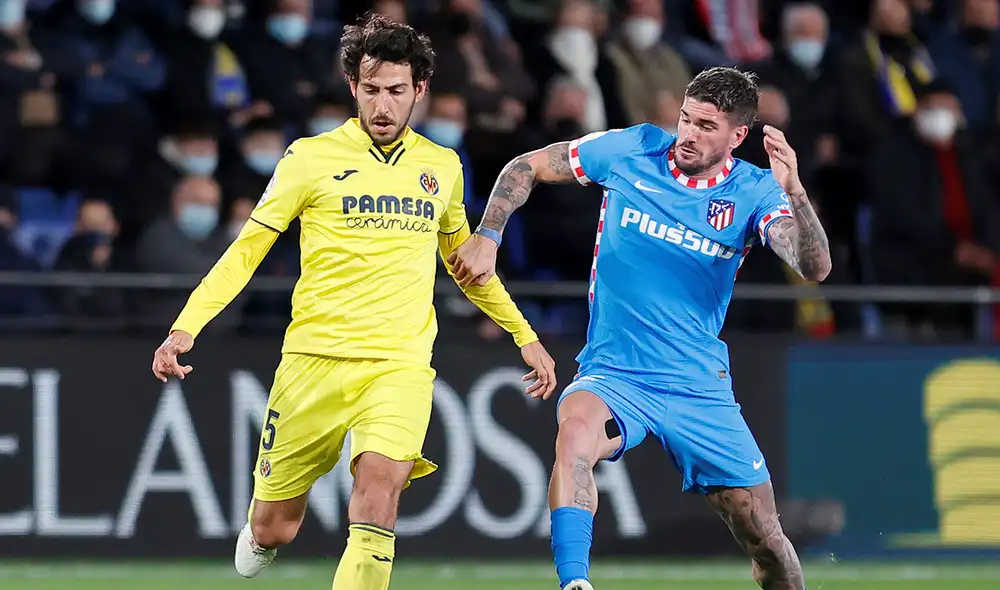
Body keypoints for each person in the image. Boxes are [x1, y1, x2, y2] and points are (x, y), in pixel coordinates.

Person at [149, 13, 557, 590]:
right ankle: (259, 531)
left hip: (399, 364)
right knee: (275, 528)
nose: (383, 106)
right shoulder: (308, 158)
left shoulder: (440, 168)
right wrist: (184, 328)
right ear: (353, 89)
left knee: (379, 490)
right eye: (371, 91)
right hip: (313, 362)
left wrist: (525, 335)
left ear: (419, 90)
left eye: (396, 91)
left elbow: (467, 267)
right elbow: (246, 252)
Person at [449, 67, 832, 590]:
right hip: (616, 374)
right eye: (685, 119)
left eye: (705, 126)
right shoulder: (632, 150)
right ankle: (574, 583)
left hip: (698, 386)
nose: (689, 135)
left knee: (762, 533)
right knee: (575, 435)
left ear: (737, 136)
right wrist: (489, 233)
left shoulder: (755, 191)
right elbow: (527, 166)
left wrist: (797, 194)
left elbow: (813, 268)